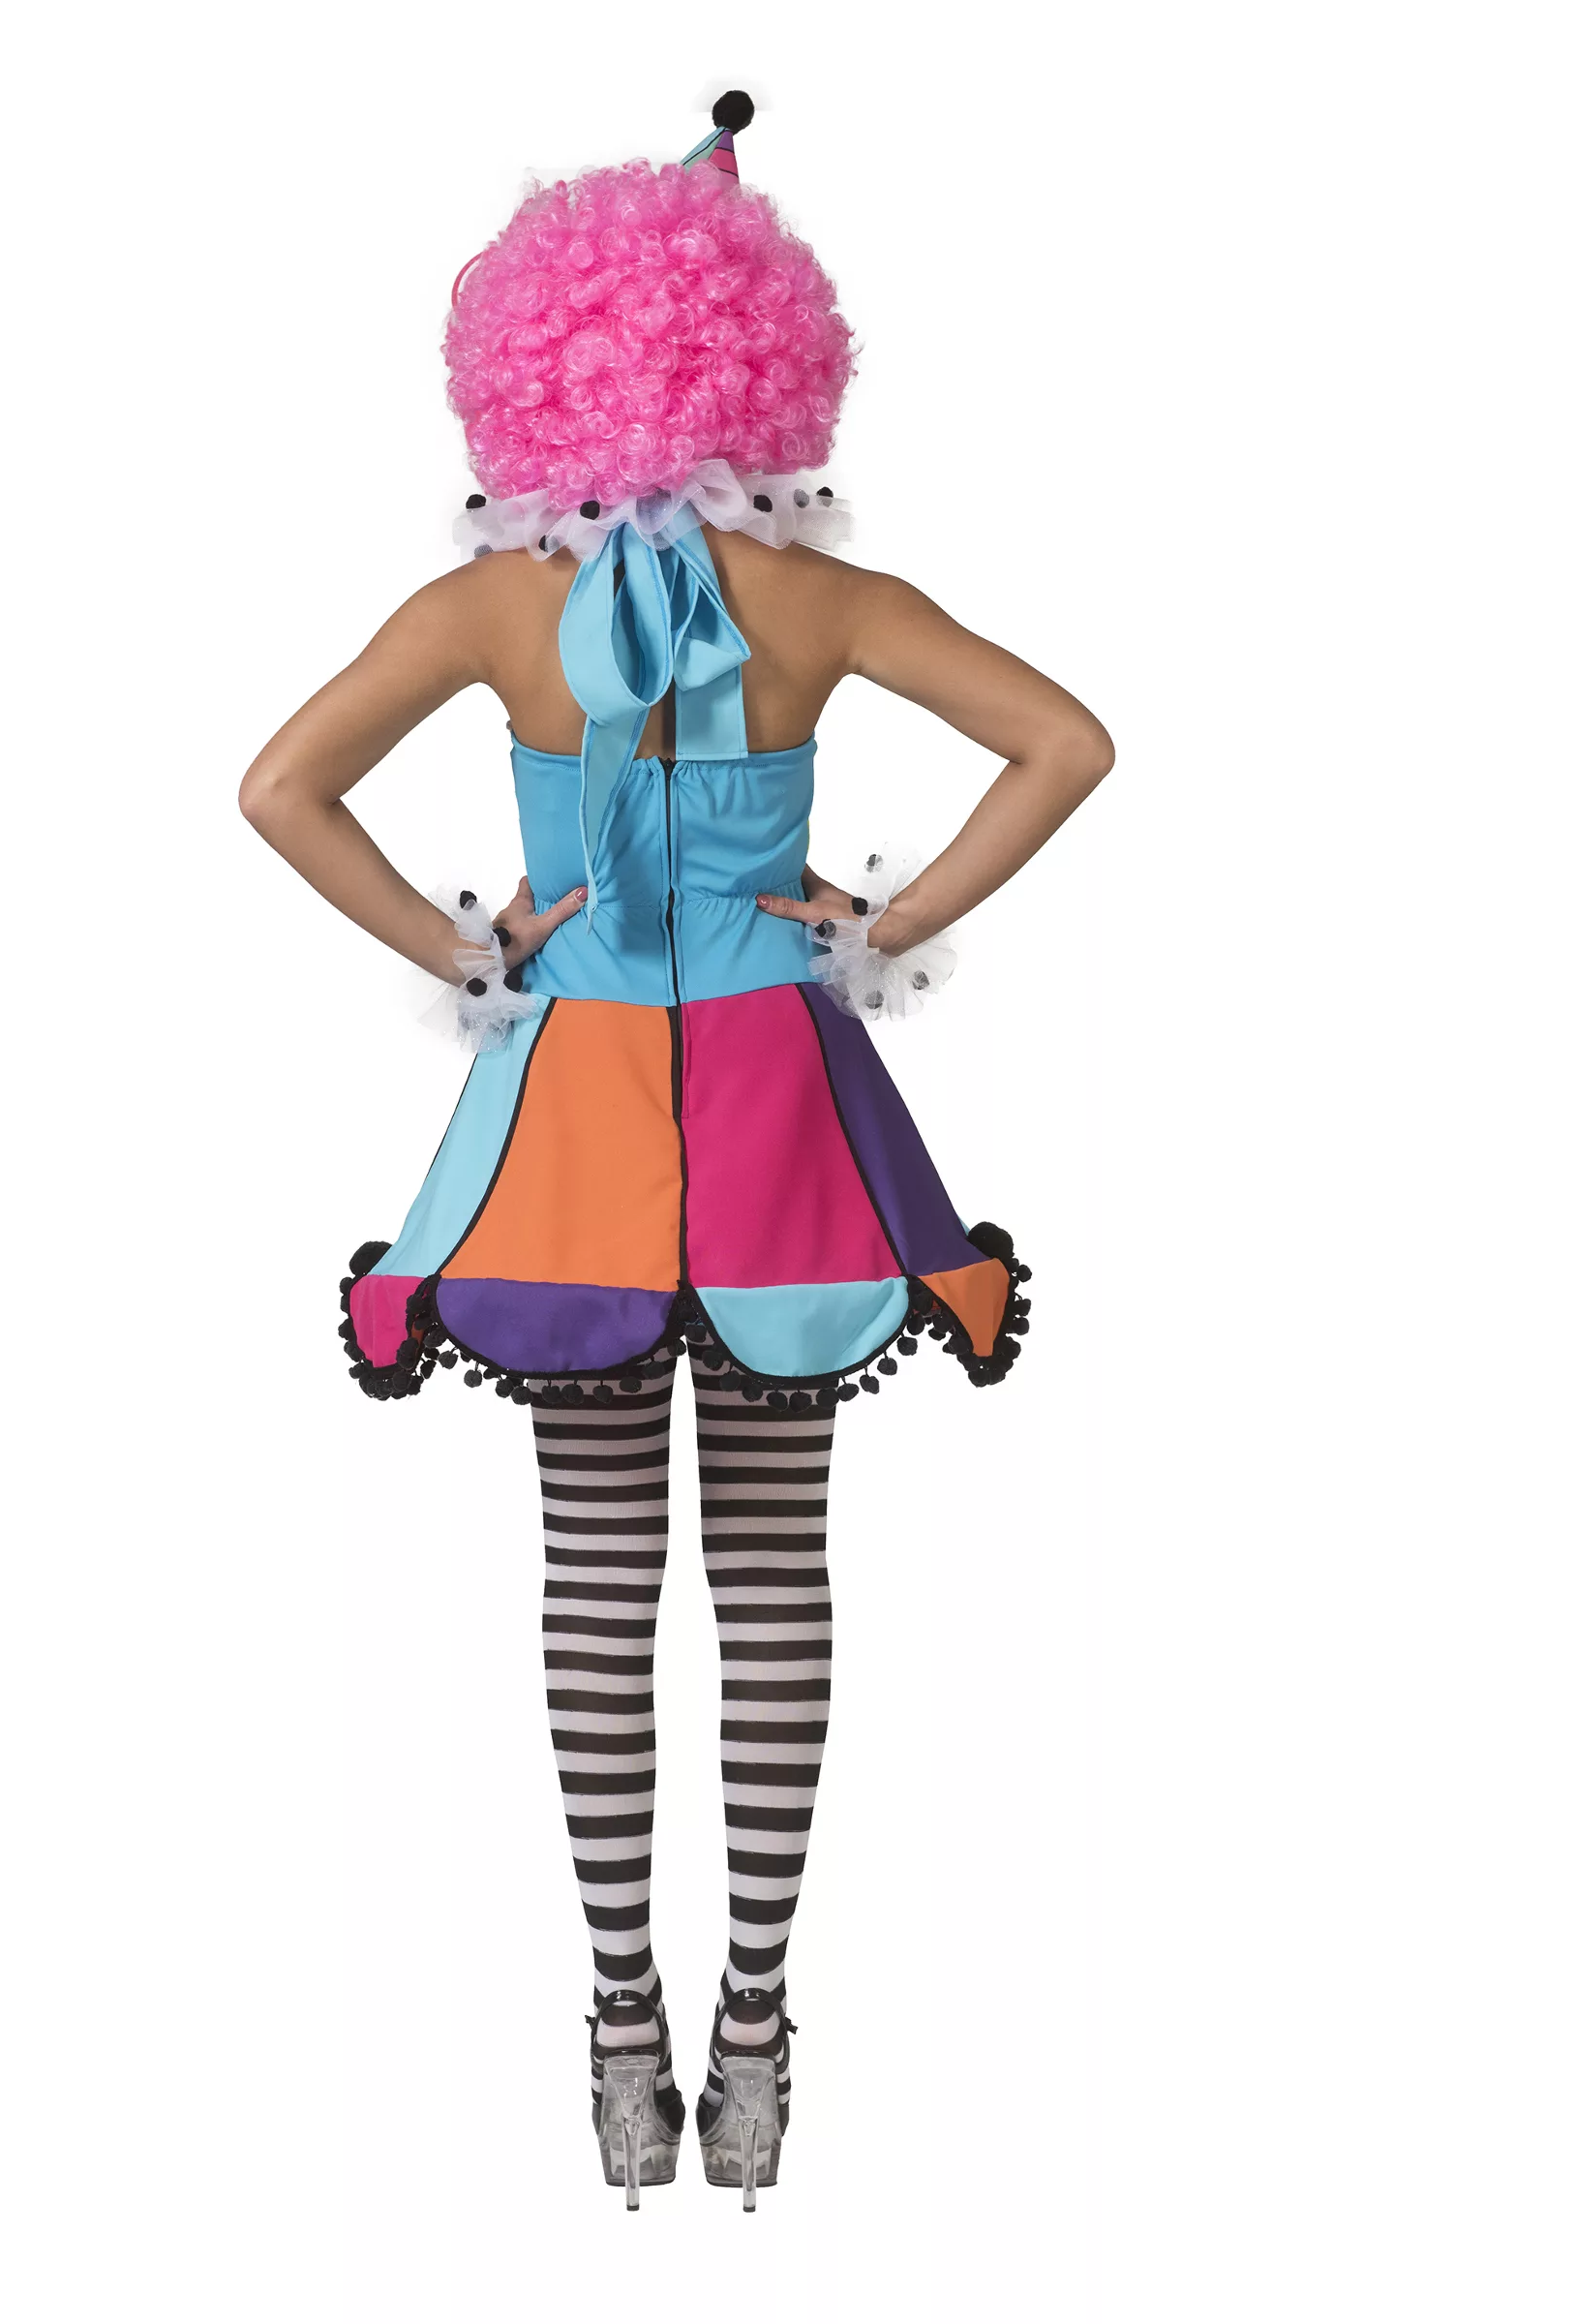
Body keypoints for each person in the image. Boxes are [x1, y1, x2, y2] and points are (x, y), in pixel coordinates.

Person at [239, 93, 1112, 2210]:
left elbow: (278, 791)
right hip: (780, 1098)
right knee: (775, 1567)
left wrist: (471, 945)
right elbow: (1066, 743)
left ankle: (619, 2033)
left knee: (597, 1576)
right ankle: (756, 2035)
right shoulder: (817, 597)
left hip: (569, 1116)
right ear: (763, 356)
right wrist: (878, 921)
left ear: (529, 367)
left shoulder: (484, 612)